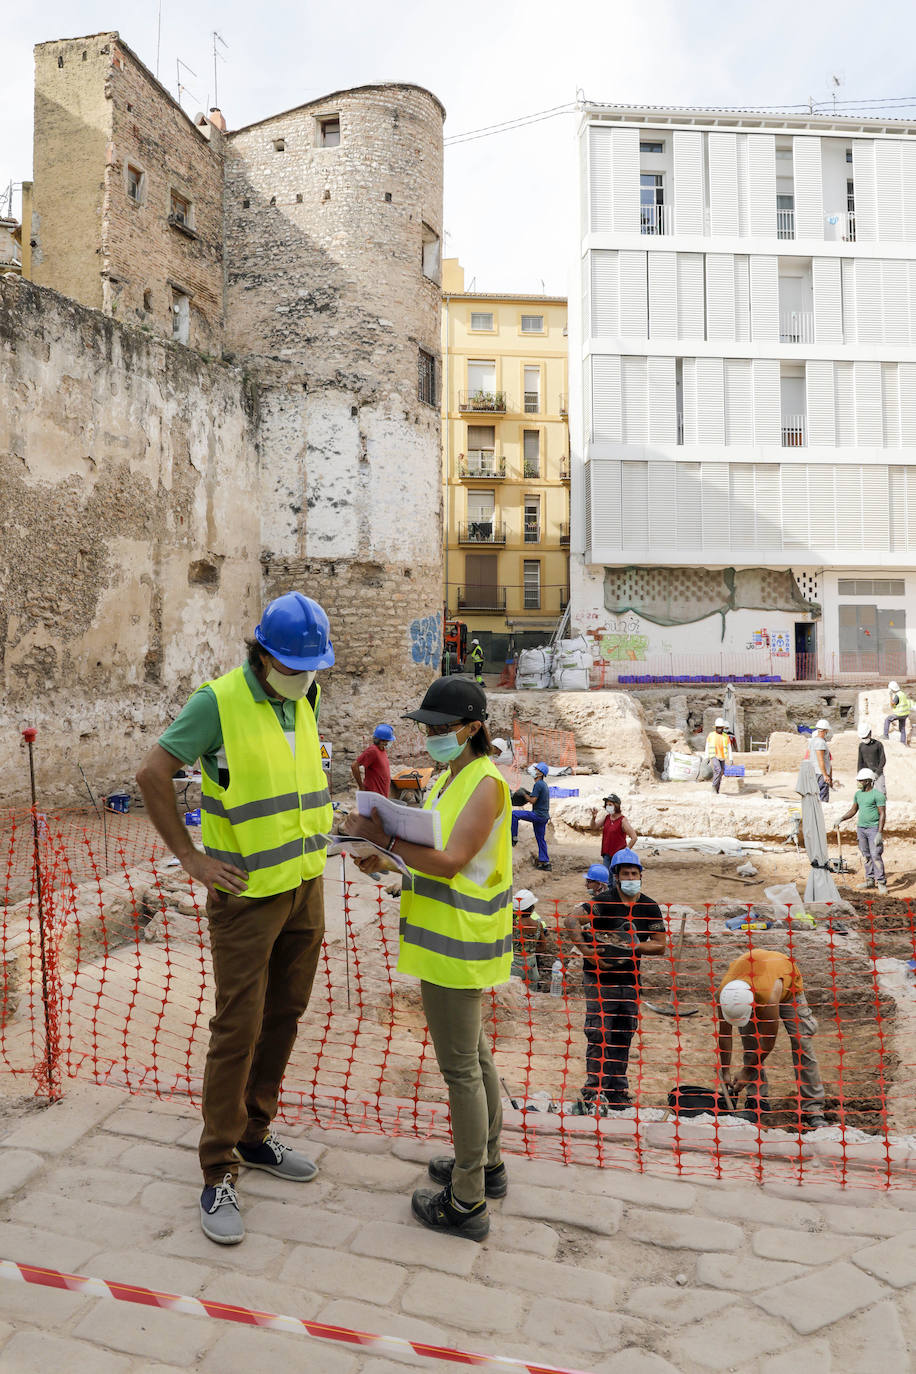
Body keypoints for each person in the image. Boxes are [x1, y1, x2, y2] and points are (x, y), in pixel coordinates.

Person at [136, 592, 334, 1245]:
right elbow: (153, 771)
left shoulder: (302, 699)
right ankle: (217, 1167)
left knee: (285, 1015)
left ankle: (255, 1136)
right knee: (236, 1030)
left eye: (313, 666)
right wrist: (189, 857)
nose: (307, 676)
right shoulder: (216, 702)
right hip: (247, 899)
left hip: (305, 886)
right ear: (264, 653)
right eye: (296, 665)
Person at [343, 677, 511, 1241]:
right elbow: (425, 859)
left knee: (460, 1068)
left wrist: (383, 841)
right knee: (475, 1055)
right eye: (428, 728)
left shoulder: (485, 783)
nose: (434, 737)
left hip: (459, 943)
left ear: (473, 727)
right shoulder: (450, 777)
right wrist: (379, 857)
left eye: (442, 728)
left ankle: (467, 1201)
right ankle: (485, 1164)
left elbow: (450, 861)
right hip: (445, 938)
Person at [564, 849, 666, 1114]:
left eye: (635, 873)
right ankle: (593, 1090)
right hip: (600, 979)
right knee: (598, 1033)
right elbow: (572, 919)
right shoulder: (603, 902)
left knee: (623, 1033)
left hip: (630, 981)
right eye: (625, 874)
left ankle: (617, 1091)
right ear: (617, 877)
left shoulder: (649, 907)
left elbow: (660, 945)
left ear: (641, 875)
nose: (631, 877)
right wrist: (587, 952)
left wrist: (635, 946)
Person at [717, 949, 827, 1129]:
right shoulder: (724, 994)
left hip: (785, 980)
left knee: (801, 1041)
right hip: (755, 977)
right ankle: (757, 1100)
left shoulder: (768, 996)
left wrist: (745, 1072)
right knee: (750, 1041)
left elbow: (768, 1042)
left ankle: (813, 1108)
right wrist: (726, 1070)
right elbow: (724, 1035)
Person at [838, 767, 887, 895]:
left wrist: (879, 833)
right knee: (866, 855)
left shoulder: (878, 795)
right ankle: (870, 880)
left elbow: (882, 814)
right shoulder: (858, 794)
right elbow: (853, 810)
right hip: (861, 829)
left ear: (868, 781)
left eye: (860, 780)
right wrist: (841, 818)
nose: (858, 782)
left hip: (873, 829)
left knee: (876, 855)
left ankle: (881, 882)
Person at [511, 761, 551, 870]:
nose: (534, 771)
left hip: (537, 815)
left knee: (514, 814)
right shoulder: (543, 785)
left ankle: (513, 838)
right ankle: (545, 862)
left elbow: (533, 800)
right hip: (544, 816)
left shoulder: (538, 784)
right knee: (540, 839)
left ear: (540, 774)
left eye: (537, 770)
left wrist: (523, 793)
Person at [510, 889, 551, 992]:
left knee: (514, 995)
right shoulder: (538, 925)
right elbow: (543, 948)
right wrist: (530, 950)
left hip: (514, 966)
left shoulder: (513, 926)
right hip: (531, 966)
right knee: (531, 996)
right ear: (533, 908)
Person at [588, 794, 637, 868]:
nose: (608, 806)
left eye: (610, 804)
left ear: (616, 806)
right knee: (607, 876)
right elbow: (594, 826)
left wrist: (625, 851)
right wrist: (593, 817)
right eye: (607, 804)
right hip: (606, 854)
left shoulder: (623, 820)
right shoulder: (607, 818)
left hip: (618, 856)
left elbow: (634, 837)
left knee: (615, 877)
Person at [351, 723, 395, 797]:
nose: (388, 743)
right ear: (382, 741)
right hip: (373, 794)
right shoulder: (373, 751)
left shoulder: (382, 750)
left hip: (381, 794)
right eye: (388, 741)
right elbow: (354, 766)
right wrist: (361, 786)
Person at [856, 723, 887, 800]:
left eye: (866, 737)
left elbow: (883, 760)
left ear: (870, 733)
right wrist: (860, 776)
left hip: (878, 773)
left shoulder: (878, 745)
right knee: (865, 795)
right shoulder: (861, 746)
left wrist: (877, 773)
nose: (864, 739)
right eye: (863, 737)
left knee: (881, 794)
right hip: (866, 774)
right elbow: (860, 761)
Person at [807, 718, 834, 802]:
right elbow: (820, 760)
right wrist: (825, 775)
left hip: (814, 772)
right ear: (825, 730)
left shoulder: (813, 741)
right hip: (820, 774)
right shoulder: (820, 742)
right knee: (822, 799)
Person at [704, 718, 732, 793]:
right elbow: (707, 746)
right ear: (716, 728)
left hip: (722, 757)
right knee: (718, 770)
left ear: (723, 728)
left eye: (721, 727)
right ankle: (714, 786)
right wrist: (706, 757)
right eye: (718, 727)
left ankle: (717, 789)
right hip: (714, 755)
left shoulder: (726, 736)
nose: (719, 729)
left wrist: (731, 758)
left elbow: (729, 748)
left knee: (722, 772)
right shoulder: (711, 735)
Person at [883, 680, 910, 746]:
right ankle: (903, 743)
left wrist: (890, 696)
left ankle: (885, 735)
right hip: (905, 714)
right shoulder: (902, 693)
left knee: (887, 719)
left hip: (899, 714)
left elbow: (892, 704)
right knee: (902, 728)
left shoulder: (897, 696)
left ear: (892, 689)